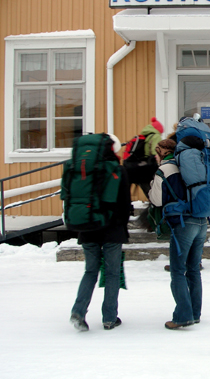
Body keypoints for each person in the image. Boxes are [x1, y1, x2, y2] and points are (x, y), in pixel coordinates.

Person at [70, 134, 132, 331]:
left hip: (88, 228)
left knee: (90, 271)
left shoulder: (82, 170)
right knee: (112, 273)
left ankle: (78, 312)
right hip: (112, 229)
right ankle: (109, 317)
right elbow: (124, 203)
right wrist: (122, 224)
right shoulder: (118, 170)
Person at [148, 138, 207, 329]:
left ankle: (183, 316)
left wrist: (152, 186)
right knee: (193, 269)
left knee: (177, 270)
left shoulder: (164, 169)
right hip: (201, 220)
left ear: (161, 153)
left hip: (182, 222)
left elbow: (156, 201)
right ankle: (195, 313)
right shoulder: (191, 165)